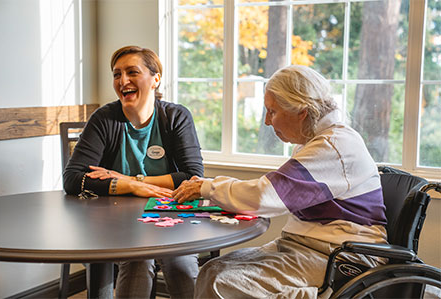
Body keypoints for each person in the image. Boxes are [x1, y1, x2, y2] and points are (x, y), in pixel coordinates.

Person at [173, 65, 388, 299]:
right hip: (308, 247)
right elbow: (271, 190)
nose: (267, 121)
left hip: (342, 259)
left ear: (301, 111)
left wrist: (207, 187)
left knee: (221, 282)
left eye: (272, 111)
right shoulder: (316, 142)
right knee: (212, 271)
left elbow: (266, 195)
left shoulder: (334, 147)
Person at [63, 46, 202, 299]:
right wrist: (131, 188)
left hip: (171, 219)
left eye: (132, 72)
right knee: (136, 260)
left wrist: (130, 179)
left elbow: (193, 176)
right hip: (115, 223)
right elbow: (73, 179)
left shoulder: (176, 116)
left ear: (155, 79)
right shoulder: (104, 119)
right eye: (117, 74)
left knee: (180, 264)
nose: (122, 81)